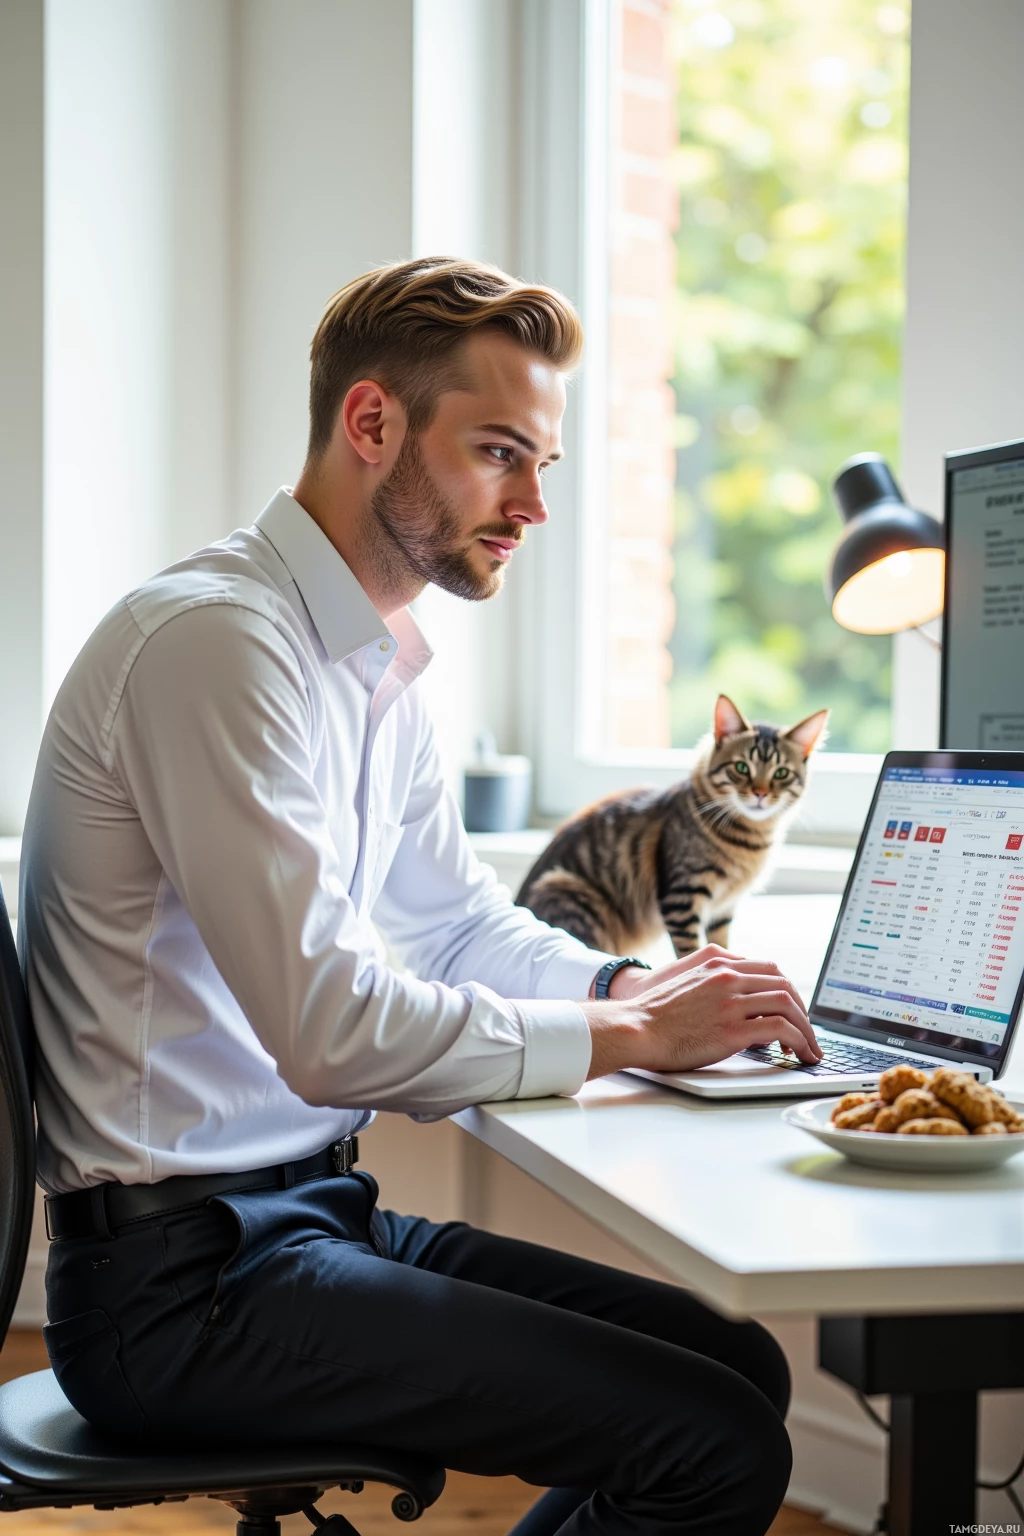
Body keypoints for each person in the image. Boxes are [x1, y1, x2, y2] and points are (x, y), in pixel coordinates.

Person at [20, 257, 821, 1536]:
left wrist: (631, 984)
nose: (533, 506)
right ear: (372, 422)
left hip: (304, 1218)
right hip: (184, 1293)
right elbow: (330, 1030)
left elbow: (447, 920)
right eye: (501, 453)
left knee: (739, 1370)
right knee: (713, 1443)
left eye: (542, 464)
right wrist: (630, 1038)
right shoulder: (219, 644)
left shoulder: (369, 659)